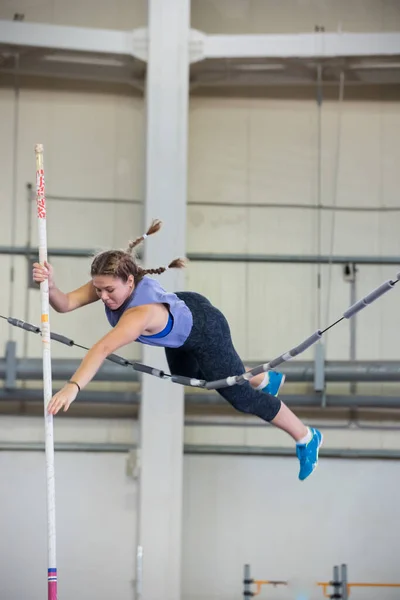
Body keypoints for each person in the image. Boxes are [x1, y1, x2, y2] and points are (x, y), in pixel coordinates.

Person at [33, 219, 323, 481]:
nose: (103, 296)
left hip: (205, 329)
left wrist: (73, 386)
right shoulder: (109, 280)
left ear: (130, 281)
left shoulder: (138, 315)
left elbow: (102, 348)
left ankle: (305, 436)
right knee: (185, 374)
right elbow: (65, 304)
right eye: (99, 290)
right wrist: (52, 285)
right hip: (183, 319)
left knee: (239, 396)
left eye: (109, 290)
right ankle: (261, 378)